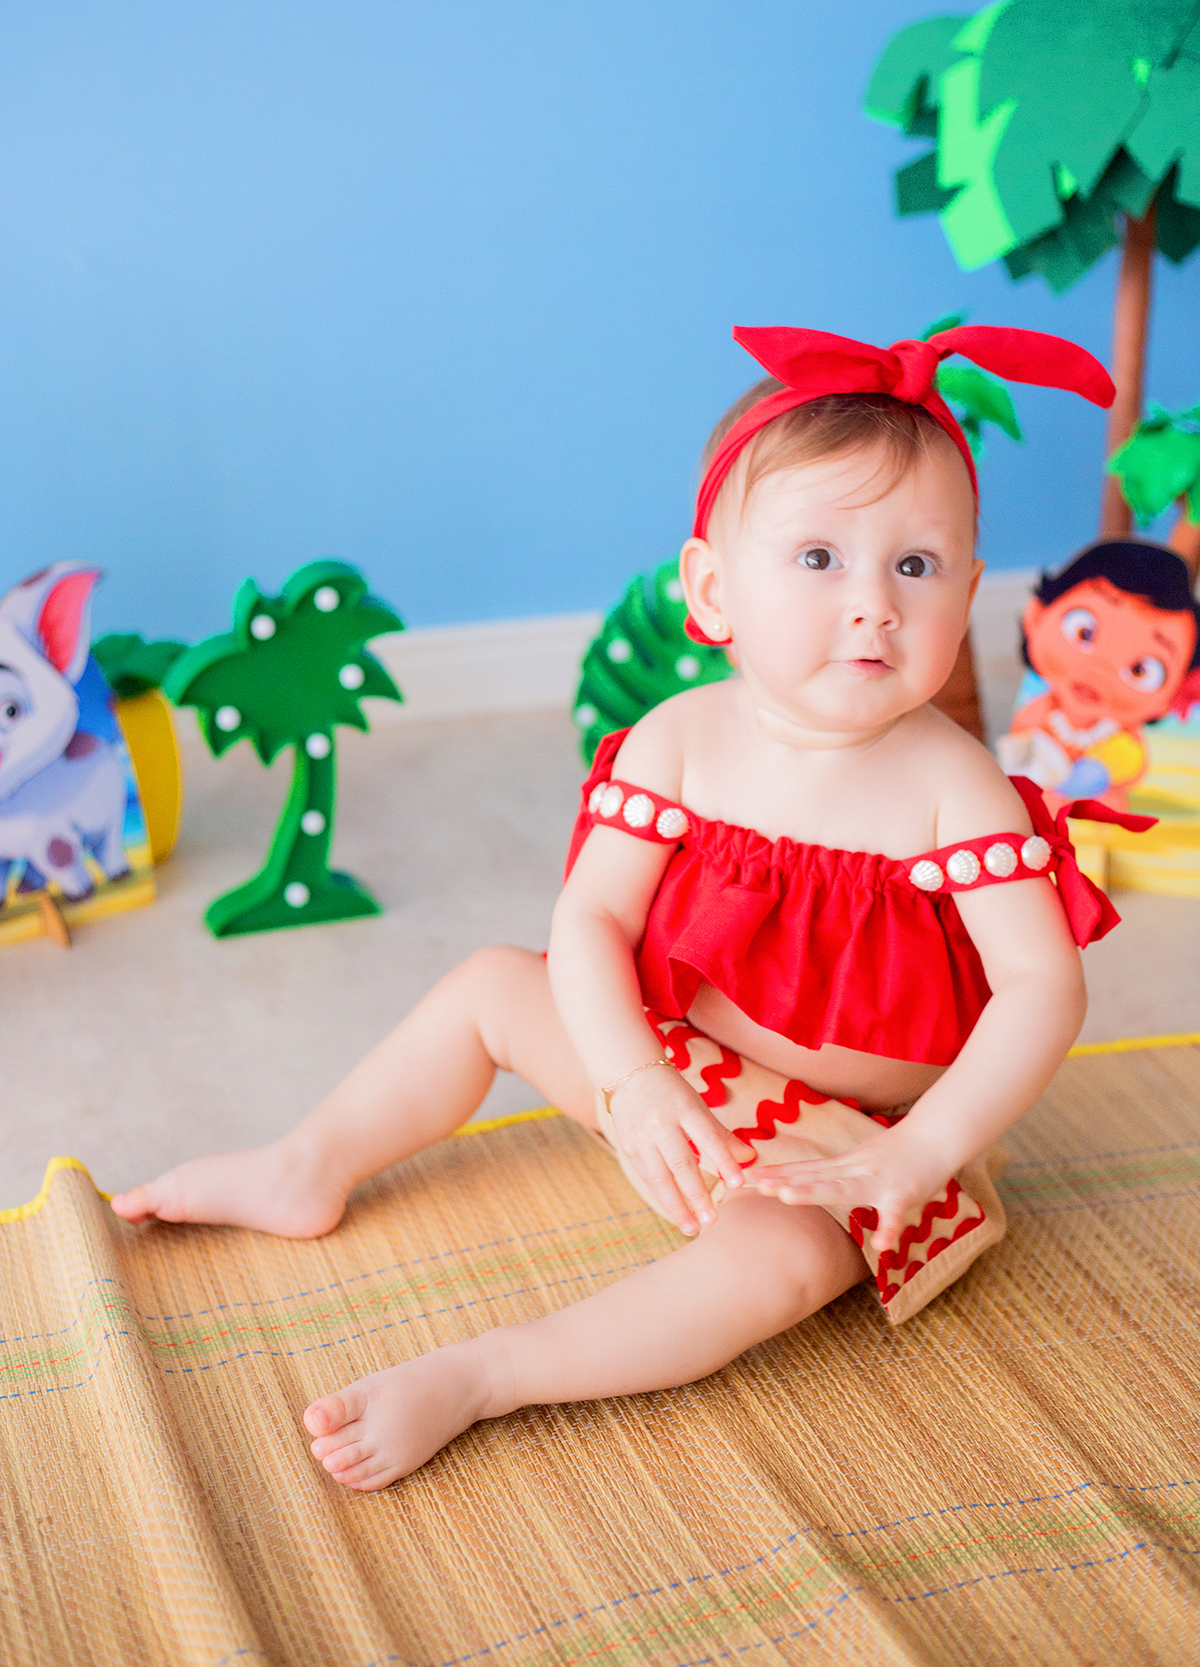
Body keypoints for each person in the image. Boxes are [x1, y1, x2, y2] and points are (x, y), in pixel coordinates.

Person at [113, 322, 1146, 1494]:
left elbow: (1041, 985)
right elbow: (592, 923)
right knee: (491, 985)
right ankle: (308, 1162)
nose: (873, 607)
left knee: (771, 1271)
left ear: (967, 590)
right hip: (678, 1074)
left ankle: (494, 1374)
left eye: (916, 566)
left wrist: (922, 1153)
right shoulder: (680, 742)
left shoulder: (950, 784)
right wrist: (637, 1082)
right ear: (712, 589)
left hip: (847, 1149)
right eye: (818, 559)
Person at [997, 538, 1200, 814]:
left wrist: (1106, 770)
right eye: (1084, 632)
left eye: (1141, 670)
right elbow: (1017, 746)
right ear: (1036, 615)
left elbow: (1134, 765)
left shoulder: (1123, 737)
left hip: (1103, 816)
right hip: (1039, 810)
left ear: (1175, 694)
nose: (1099, 669)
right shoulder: (1039, 712)